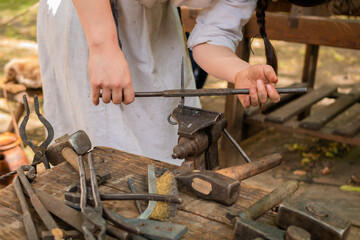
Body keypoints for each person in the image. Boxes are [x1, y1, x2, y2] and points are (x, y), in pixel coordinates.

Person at [37, 0, 280, 165]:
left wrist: (239, 71)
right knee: (98, 149)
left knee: (162, 147)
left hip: (154, 26)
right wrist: (103, 46)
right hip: (90, 16)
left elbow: (214, 37)